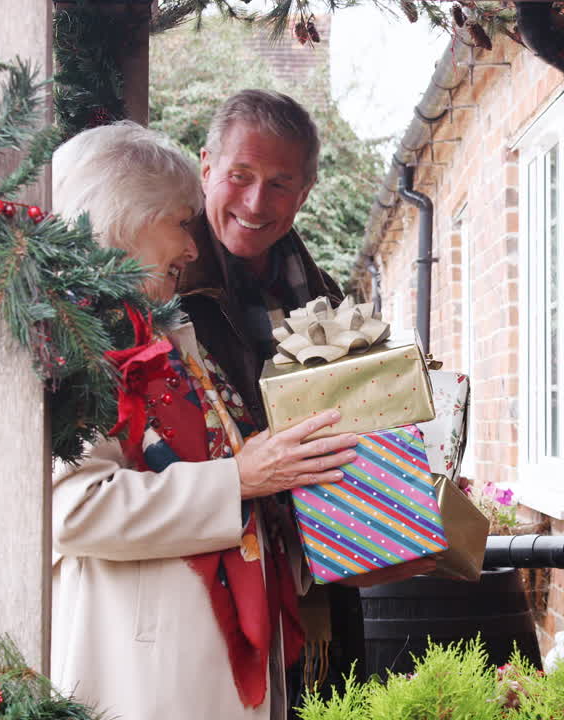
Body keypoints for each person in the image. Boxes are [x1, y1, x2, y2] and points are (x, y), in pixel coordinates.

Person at [49, 121, 365, 720]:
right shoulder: (73, 341)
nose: (193, 249)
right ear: (123, 219)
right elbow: (73, 510)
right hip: (147, 675)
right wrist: (240, 480)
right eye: (177, 222)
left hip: (220, 653)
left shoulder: (169, 334)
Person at [178, 90, 434, 710]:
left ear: (306, 193)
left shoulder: (320, 294)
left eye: (279, 183)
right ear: (206, 167)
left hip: (318, 564)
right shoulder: (166, 282)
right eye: (239, 176)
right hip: (203, 576)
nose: (255, 202)